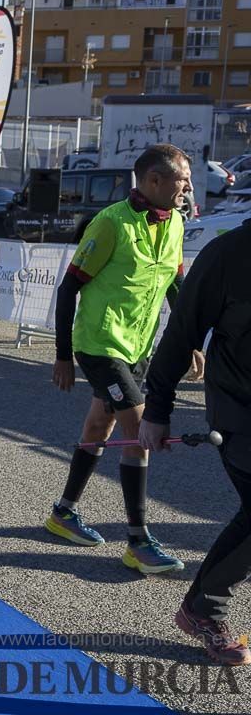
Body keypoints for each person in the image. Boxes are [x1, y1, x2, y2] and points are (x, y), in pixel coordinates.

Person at [46, 144, 193, 574]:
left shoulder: (178, 222)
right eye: (182, 178)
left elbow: (174, 285)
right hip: (99, 343)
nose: (187, 186)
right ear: (154, 182)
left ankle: (63, 512)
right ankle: (138, 540)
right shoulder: (110, 223)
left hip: (138, 346)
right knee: (140, 427)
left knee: (99, 425)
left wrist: (192, 341)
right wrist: (63, 356)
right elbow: (68, 288)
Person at [139, 220, 251, 665]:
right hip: (238, 409)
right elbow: (182, 332)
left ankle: (201, 606)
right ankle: (206, 608)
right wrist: (157, 410)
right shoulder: (227, 254)